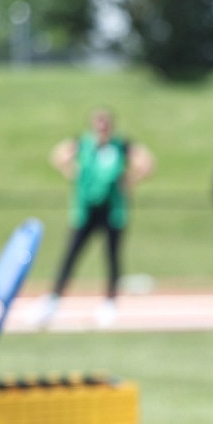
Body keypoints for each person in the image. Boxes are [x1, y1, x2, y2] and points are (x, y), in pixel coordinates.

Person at [34, 110, 154, 328]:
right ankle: (53, 300)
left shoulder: (120, 146)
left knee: (112, 258)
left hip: (112, 210)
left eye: (105, 123)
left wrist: (130, 180)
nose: (102, 128)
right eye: (98, 123)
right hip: (86, 210)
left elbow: (146, 162)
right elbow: (58, 155)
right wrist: (71, 171)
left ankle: (110, 303)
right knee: (70, 255)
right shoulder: (83, 144)